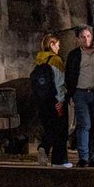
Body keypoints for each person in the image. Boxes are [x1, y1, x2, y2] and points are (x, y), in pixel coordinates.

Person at [65, 26, 94, 167]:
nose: (86, 39)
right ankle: (83, 157)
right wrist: (71, 94)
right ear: (78, 39)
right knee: (84, 124)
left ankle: (93, 156)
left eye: (88, 36)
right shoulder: (74, 55)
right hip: (81, 93)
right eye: (83, 37)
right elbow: (69, 75)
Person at [32, 34, 71, 167]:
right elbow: (59, 82)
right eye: (58, 45)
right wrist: (61, 100)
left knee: (49, 128)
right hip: (55, 100)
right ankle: (59, 161)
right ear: (52, 44)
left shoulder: (39, 60)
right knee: (60, 130)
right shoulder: (56, 60)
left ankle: (44, 147)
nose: (59, 48)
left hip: (43, 101)